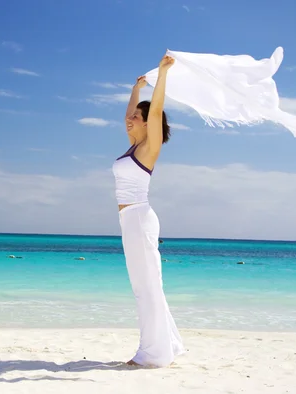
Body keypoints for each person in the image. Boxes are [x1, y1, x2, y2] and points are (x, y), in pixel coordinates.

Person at [112, 54, 185, 368]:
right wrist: (135, 89)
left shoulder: (148, 148)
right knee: (145, 285)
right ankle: (169, 345)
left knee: (148, 287)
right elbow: (132, 113)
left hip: (140, 218)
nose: (131, 121)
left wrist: (163, 75)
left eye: (137, 120)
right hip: (129, 220)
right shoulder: (132, 143)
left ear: (148, 125)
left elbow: (154, 112)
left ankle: (153, 354)